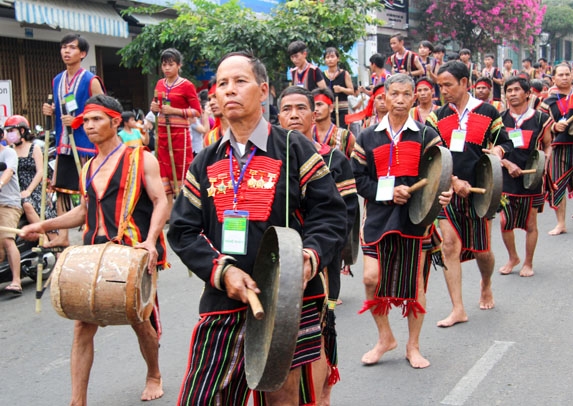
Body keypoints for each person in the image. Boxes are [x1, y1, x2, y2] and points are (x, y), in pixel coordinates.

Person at [168, 51, 347, 405]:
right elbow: (182, 231)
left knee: (281, 395)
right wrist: (223, 273)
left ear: (263, 91)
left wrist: (307, 259)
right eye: (222, 84)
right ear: (214, 97)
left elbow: (330, 215)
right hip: (224, 297)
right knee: (204, 397)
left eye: (240, 81)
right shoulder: (206, 160)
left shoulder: (294, 148)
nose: (229, 90)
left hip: (287, 299)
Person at [21, 95, 168, 405]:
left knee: (139, 320)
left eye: (96, 119)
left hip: (131, 251)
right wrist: (43, 227)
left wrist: (151, 241)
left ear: (115, 121)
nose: (89, 126)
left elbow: (160, 201)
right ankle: (78, 400)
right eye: (85, 121)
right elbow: (82, 211)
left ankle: (153, 373)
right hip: (93, 254)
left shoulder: (142, 158)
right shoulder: (87, 166)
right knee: (82, 324)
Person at [352, 73, 452, 367]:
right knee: (371, 279)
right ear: (383, 97)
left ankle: (413, 346)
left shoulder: (426, 135)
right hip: (378, 219)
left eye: (406, 94)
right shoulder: (367, 137)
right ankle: (385, 337)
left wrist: (442, 195)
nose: (399, 100)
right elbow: (358, 180)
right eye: (393, 94)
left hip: (415, 220)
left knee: (415, 286)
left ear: (414, 98)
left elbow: (439, 175)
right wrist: (387, 192)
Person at [278, 85, 357, 405]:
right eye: (286, 109)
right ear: (278, 116)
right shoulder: (267, 157)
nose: (293, 115)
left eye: (301, 108)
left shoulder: (332, 158)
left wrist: (322, 251)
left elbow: (346, 210)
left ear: (315, 115)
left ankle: (321, 395)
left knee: (318, 332)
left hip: (318, 260)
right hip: (276, 261)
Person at [426, 61, 512, 327]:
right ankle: (458, 308)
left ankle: (485, 283)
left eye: (448, 85)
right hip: (448, 191)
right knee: (449, 245)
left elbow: (504, 142)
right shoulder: (436, 116)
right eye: (440, 86)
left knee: (482, 251)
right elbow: (431, 156)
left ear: (464, 83)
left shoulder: (488, 111)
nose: (443, 91)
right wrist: (452, 180)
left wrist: (497, 153)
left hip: (480, 192)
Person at [42, 33, 105, 248]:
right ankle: (63, 235)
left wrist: (79, 119)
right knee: (61, 189)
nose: (66, 51)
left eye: (71, 48)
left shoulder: (90, 80)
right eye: (63, 47)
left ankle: (96, 229)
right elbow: (58, 108)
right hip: (63, 142)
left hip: (86, 143)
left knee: (91, 191)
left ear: (83, 53)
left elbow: (102, 108)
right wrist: (49, 111)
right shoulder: (57, 80)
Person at [498, 76, 552, 277]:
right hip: (506, 177)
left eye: (516, 90)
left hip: (532, 178)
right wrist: (507, 163)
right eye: (508, 90)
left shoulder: (541, 119)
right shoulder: (500, 119)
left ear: (528, 93)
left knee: (530, 223)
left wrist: (545, 160)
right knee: (505, 222)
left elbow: (547, 144)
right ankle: (513, 257)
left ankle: (528, 262)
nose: (512, 94)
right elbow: (491, 149)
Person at [540, 63, 573, 233]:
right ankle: (561, 223)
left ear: (572, 76)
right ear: (553, 78)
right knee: (557, 186)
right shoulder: (547, 102)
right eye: (560, 75)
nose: (564, 77)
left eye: (567, 74)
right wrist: (554, 127)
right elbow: (542, 126)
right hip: (558, 148)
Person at [150, 48, 202, 209]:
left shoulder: (187, 85)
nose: (167, 68)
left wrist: (175, 111)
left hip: (180, 135)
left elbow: (197, 111)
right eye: (164, 64)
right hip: (162, 135)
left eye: (171, 64)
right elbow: (155, 106)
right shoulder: (159, 84)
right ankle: (166, 211)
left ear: (179, 65)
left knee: (181, 170)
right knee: (162, 170)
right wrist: (153, 108)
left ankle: (184, 209)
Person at [4, 115, 57, 245]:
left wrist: (28, 190)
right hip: (16, 191)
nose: (9, 134)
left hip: (33, 190)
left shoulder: (34, 148)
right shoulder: (10, 151)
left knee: (27, 203)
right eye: (7, 131)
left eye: (12, 130)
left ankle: (44, 238)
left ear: (22, 131)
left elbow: (40, 172)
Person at [0, 126, 22, 294]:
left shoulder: (8, 153)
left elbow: (8, 171)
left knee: (7, 239)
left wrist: (0, 183)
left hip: (8, 203)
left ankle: (16, 281)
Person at [311, 87, 356, 158]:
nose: (316, 109)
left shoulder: (346, 136)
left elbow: (356, 165)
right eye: (313, 106)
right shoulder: (307, 135)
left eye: (319, 104)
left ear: (331, 108)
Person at [323, 47, 354, 128]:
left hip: (342, 109)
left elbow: (351, 91)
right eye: (327, 57)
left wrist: (341, 89)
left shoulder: (344, 74)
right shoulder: (322, 75)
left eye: (332, 56)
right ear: (325, 60)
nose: (330, 59)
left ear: (338, 59)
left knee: (342, 132)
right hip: (328, 109)